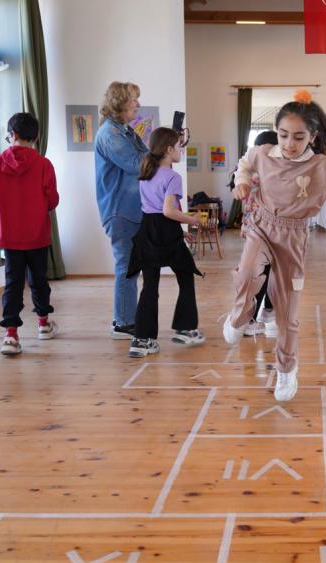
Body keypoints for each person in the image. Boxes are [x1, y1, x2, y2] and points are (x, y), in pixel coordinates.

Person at [223, 91, 326, 402]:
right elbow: (245, 164)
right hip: (260, 227)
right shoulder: (263, 153)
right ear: (275, 132)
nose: (289, 144)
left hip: (293, 238)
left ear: (312, 136)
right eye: (283, 135)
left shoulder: (324, 167)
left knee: (286, 313)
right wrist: (241, 181)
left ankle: (287, 370)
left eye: (298, 137)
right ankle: (240, 316)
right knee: (248, 274)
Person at [0, 112, 59, 355]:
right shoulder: (44, 164)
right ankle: (44, 324)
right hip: (36, 235)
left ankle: (11, 336)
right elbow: (53, 201)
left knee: (12, 284)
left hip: (9, 237)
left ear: (12, 135)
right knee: (38, 280)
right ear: (35, 137)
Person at [127, 128, 204, 357]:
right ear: (169, 149)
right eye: (179, 146)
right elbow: (168, 211)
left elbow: (156, 213)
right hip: (165, 231)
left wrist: (180, 231)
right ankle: (185, 329)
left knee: (150, 285)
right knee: (186, 278)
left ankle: (141, 340)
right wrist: (192, 220)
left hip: (148, 230)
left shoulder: (146, 172)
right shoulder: (172, 177)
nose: (181, 150)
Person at [94, 81, 148, 340]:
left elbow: (148, 158)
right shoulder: (110, 134)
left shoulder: (126, 131)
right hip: (120, 210)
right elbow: (139, 165)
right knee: (126, 267)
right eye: (134, 100)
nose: (138, 104)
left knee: (130, 267)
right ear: (120, 103)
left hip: (130, 209)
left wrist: (170, 145)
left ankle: (127, 318)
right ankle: (123, 323)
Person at [242, 130, 279, 337]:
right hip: (261, 230)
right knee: (261, 276)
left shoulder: (254, 170)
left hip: (264, 230)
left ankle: (265, 312)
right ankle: (250, 318)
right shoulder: (257, 172)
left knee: (269, 273)